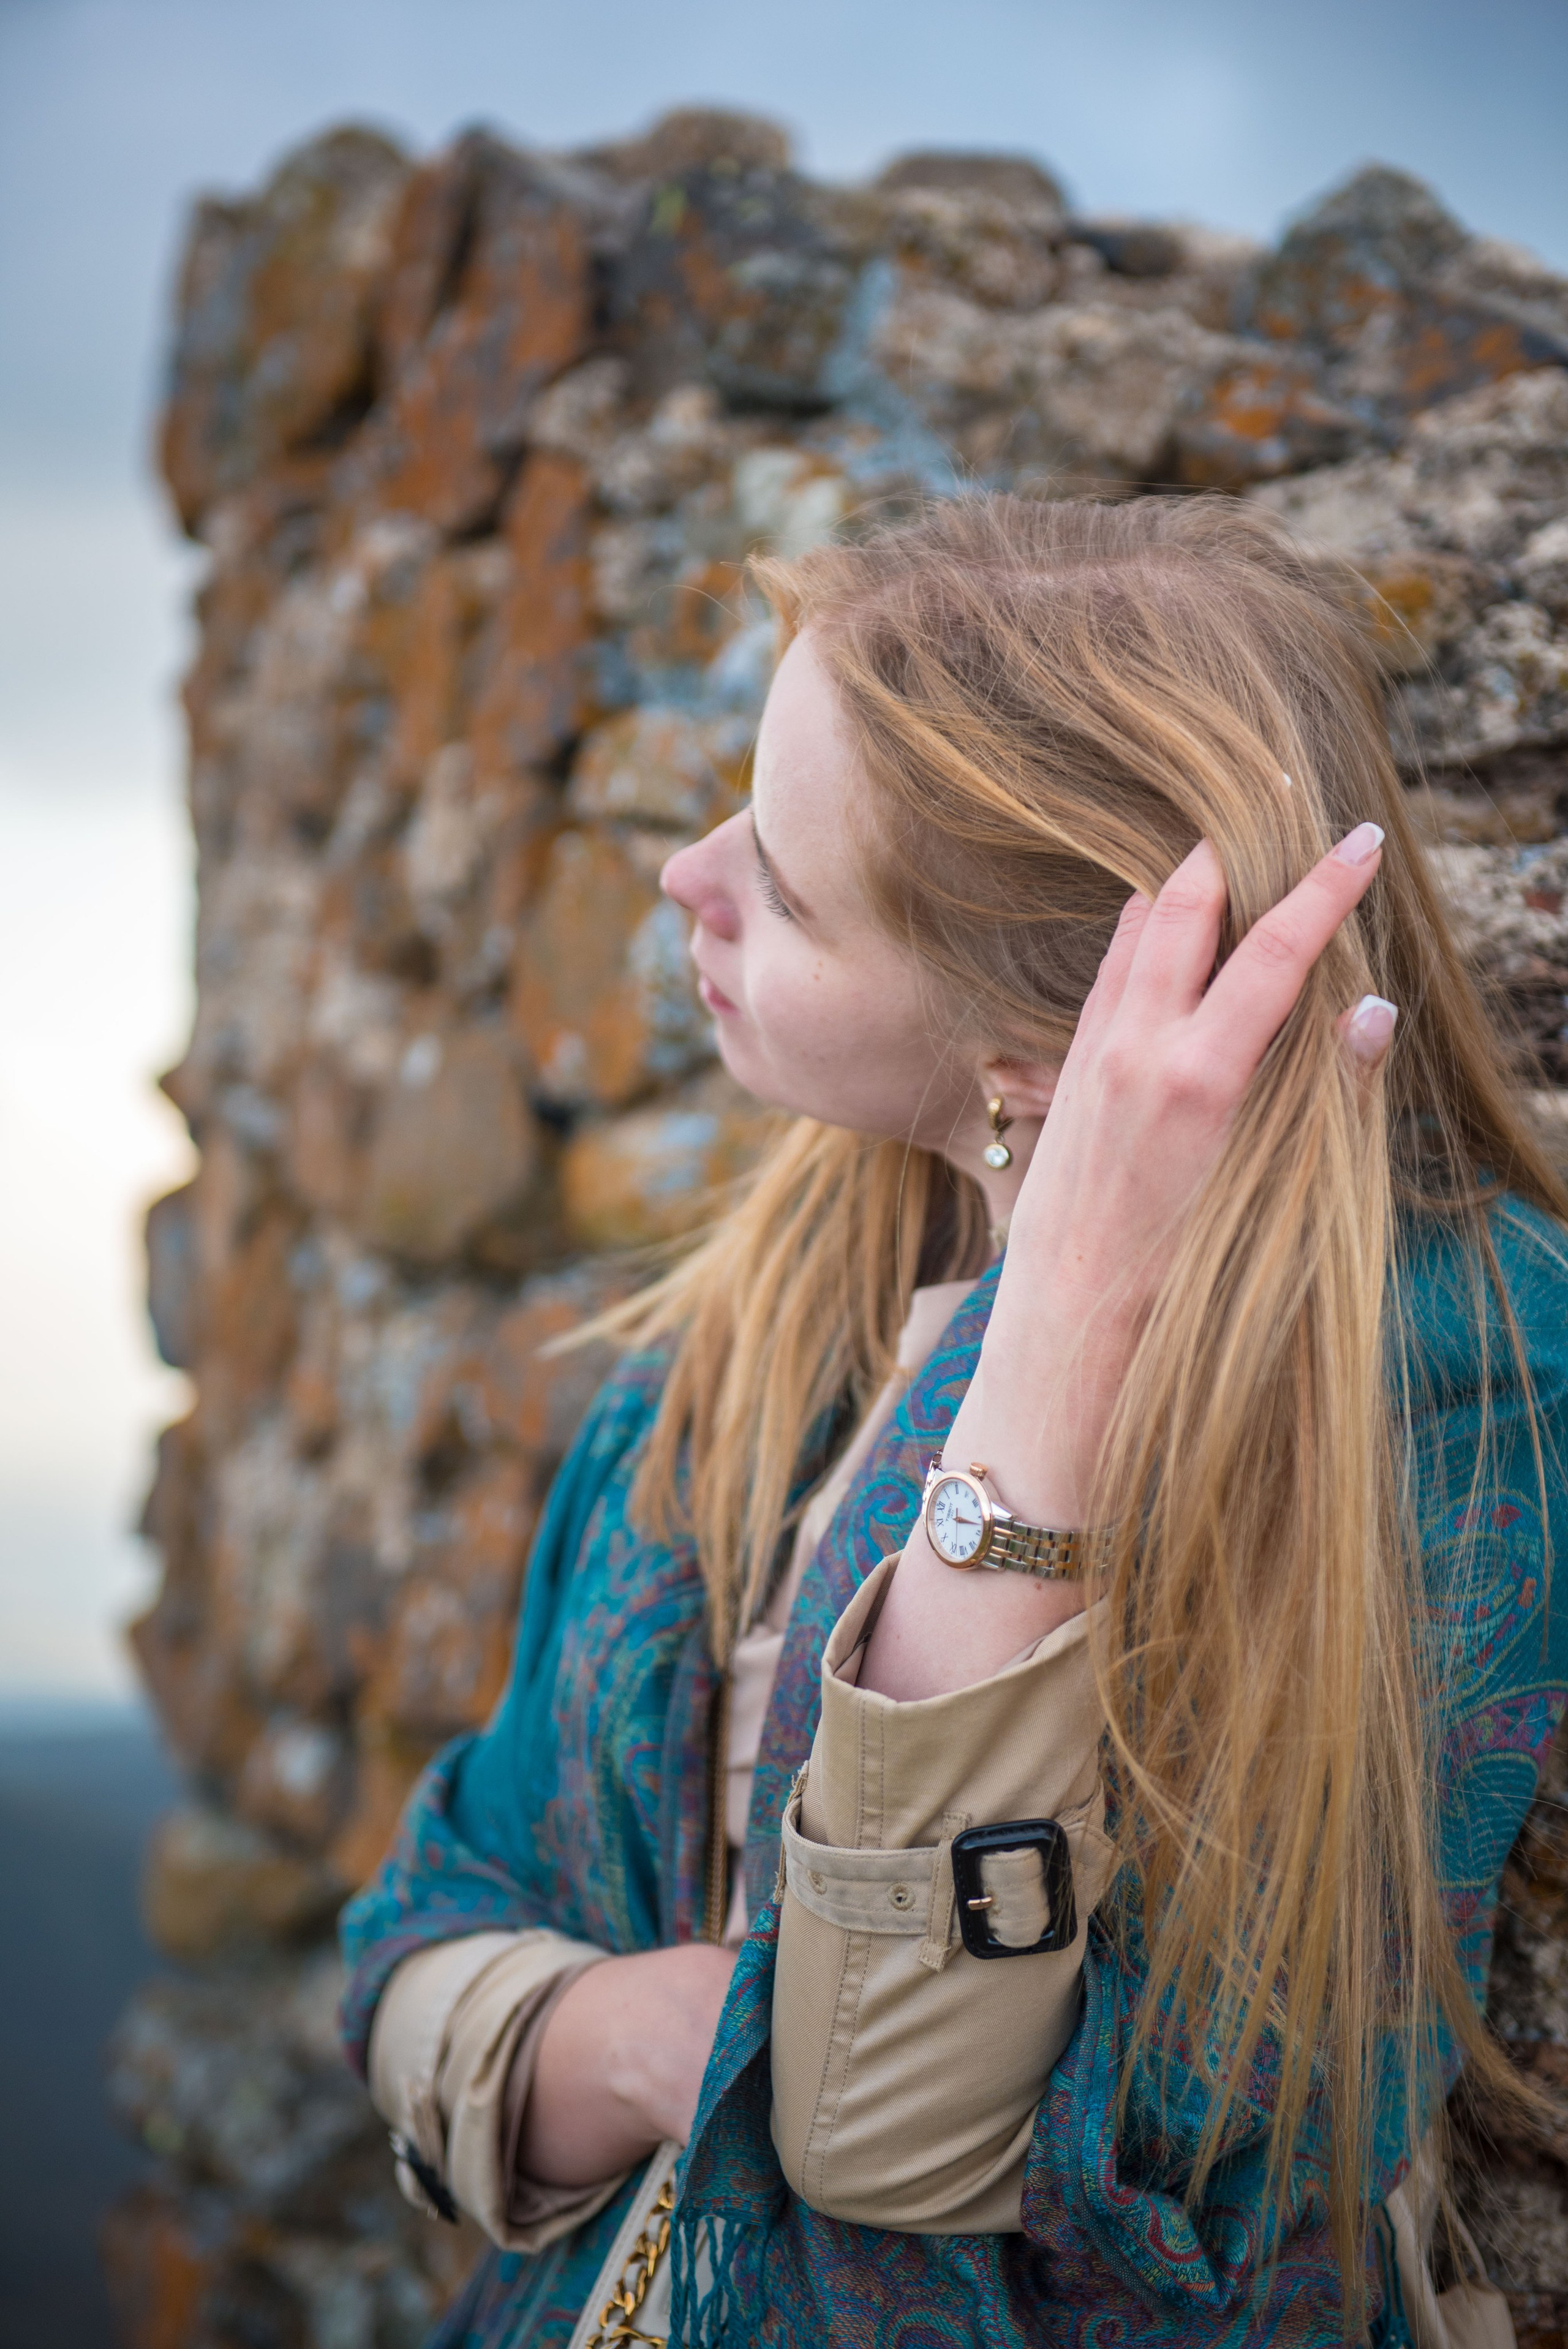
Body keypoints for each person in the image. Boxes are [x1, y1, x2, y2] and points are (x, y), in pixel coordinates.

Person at [340, 494, 1568, 2348]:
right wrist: (649, 2036)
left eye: (788, 877)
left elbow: (919, 2151)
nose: (689, 871)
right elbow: (431, 1914)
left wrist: (1055, 1350)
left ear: (1032, 1062)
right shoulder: (755, 1349)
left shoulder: (1449, 1398)